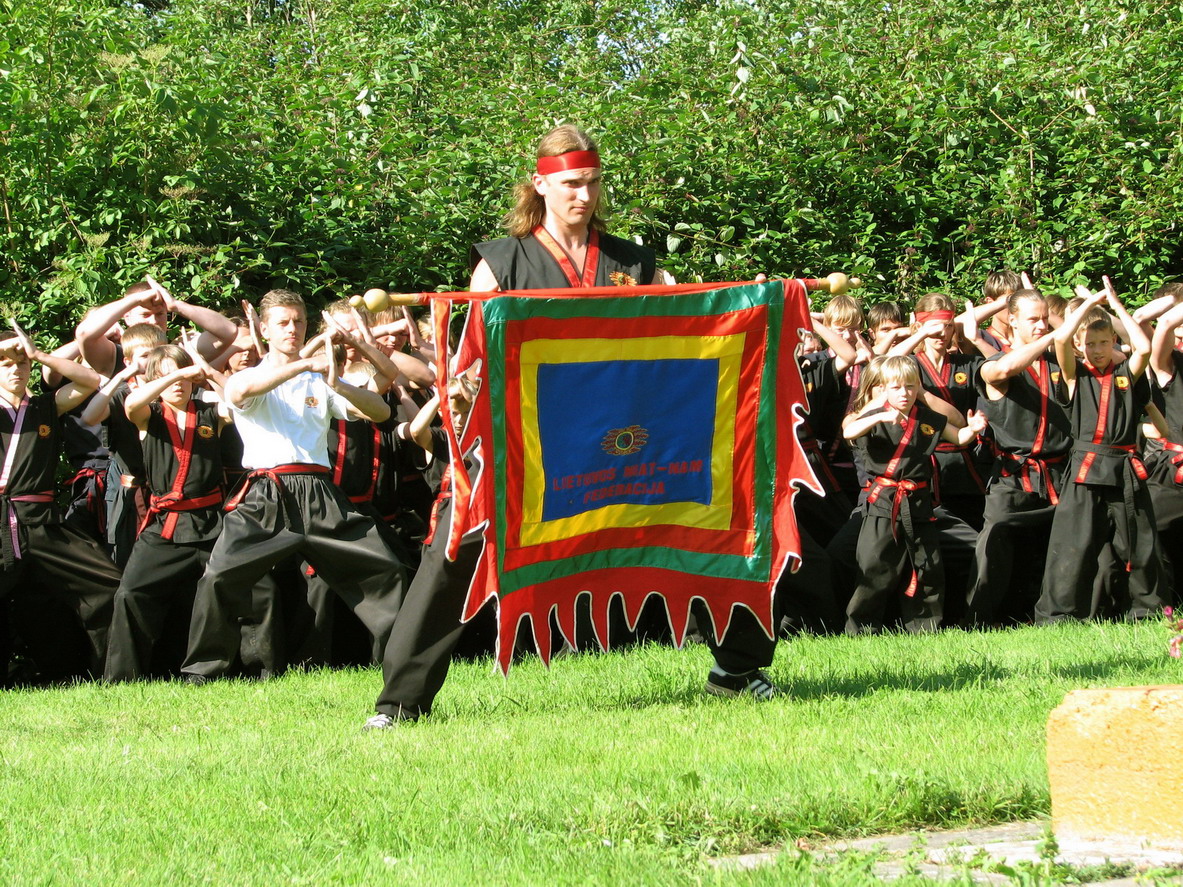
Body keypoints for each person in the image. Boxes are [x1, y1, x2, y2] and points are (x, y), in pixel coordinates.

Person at [367, 125, 783, 728]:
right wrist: (462, 387)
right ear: (540, 185)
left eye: (591, 183)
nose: (583, 196)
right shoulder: (500, 263)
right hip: (522, 441)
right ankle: (400, 703)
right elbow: (470, 365)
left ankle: (738, 669)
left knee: (707, 510)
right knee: (458, 542)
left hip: (623, 439)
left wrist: (756, 303)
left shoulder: (632, 262)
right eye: (570, 184)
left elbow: (680, 335)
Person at [180, 289, 406, 695]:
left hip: (321, 494)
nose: (293, 329)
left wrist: (338, 379)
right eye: (283, 322)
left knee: (386, 570)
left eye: (299, 321)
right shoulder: (248, 376)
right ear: (264, 329)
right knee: (219, 576)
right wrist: (305, 363)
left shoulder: (319, 379)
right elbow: (240, 394)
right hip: (266, 494)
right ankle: (202, 674)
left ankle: (403, 662)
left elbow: (381, 410)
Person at [1036, 280, 1166, 622]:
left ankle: (1147, 610)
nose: (1097, 350)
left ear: (1113, 341)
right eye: (1090, 344)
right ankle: (1059, 615)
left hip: (1124, 466)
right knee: (1073, 543)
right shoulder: (1074, 375)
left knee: (1140, 542)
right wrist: (1087, 304)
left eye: (1104, 342)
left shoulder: (1126, 373)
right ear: (1080, 346)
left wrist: (1113, 304)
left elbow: (1143, 348)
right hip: (1086, 466)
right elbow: (1061, 339)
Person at [0, 326, 121, 683]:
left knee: (108, 585)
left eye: (21, 363)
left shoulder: (44, 406)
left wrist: (39, 355)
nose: (16, 370)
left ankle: (111, 674)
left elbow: (90, 381)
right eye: (5, 364)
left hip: (42, 523)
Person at [105, 345, 232, 680]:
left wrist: (206, 372)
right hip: (166, 526)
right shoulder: (149, 415)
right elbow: (131, 404)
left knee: (256, 588)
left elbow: (240, 404)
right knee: (131, 593)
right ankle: (123, 679)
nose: (178, 383)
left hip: (212, 523)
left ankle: (255, 670)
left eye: (183, 375)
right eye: (167, 376)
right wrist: (177, 373)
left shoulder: (210, 414)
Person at [842, 356, 987, 634]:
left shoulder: (926, 418)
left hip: (918, 502)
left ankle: (925, 628)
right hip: (884, 502)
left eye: (910, 386)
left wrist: (973, 428)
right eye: (896, 387)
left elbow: (958, 437)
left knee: (927, 566)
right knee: (875, 564)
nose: (904, 393)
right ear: (884, 388)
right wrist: (880, 416)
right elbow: (849, 431)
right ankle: (861, 628)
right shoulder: (872, 417)